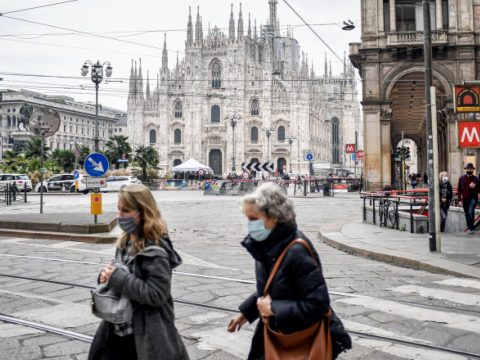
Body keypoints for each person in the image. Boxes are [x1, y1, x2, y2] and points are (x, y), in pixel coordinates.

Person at [227, 183, 330, 360]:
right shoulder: (267, 245)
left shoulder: (296, 251)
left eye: (253, 219)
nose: (250, 226)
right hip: (274, 334)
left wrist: (273, 308)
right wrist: (247, 313)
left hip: (294, 341)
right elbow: (274, 286)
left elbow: (319, 304)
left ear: (273, 217)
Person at [88, 184, 189, 360]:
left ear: (142, 212)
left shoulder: (156, 249)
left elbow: (157, 294)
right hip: (117, 330)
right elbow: (120, 277)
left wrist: (118, 278)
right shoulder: (125, 242)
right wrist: (106, 277)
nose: (120, 216)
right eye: (119, 209)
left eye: (126, 211)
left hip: (144, 336)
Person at [457, 163, 480, 234]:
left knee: (470, 211)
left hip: (473, 198)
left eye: (471, 169)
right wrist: (459, 200)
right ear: (466, 169)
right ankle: (470, 226)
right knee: (467, 213)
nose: (469, 170)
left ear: (473, 170)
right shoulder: (461, 178)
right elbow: (459, 190)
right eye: (468, 169)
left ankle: (471, 227)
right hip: (465, 199)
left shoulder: (476, 179)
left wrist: (475, 187)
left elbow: (479, 190)